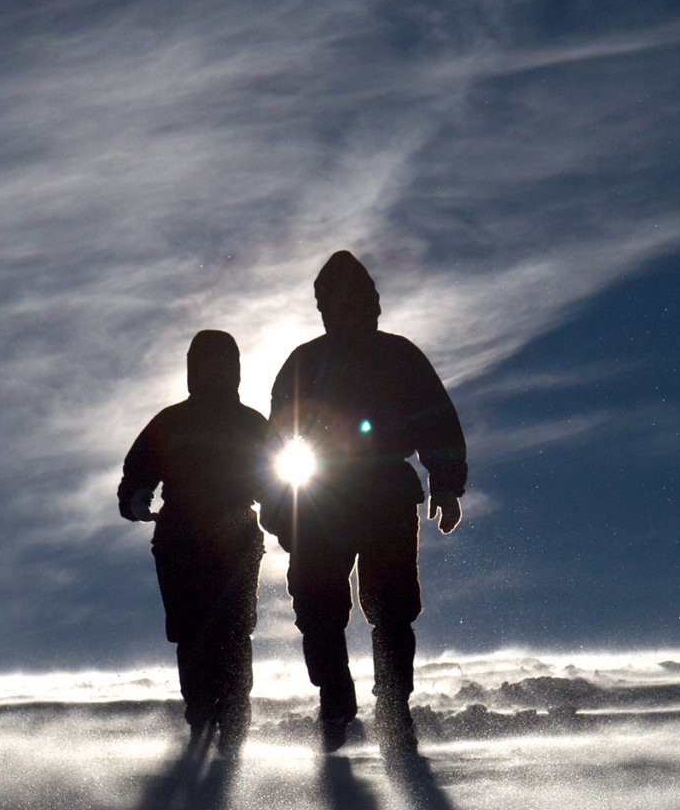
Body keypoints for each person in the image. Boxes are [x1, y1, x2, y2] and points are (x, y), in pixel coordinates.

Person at [267, 251, 467, 753]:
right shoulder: (304, 363)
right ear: (322, 306)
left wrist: (445, 482)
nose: (347, 308)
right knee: (317, 607)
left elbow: (436, 420)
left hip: (384, 495)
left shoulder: (400, 356)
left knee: (393, 607)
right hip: (318, 496)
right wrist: (276, 505)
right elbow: (272, 443)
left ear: (372, 302)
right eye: (334, 299)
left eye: (357, 298)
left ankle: (394, 706)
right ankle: (336, 702)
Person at [118, 330, 273, 751]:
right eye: (208, 362)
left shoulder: (252, 423)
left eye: (226, 363)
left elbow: (276, 481)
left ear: (237, 370)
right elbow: (138, 470)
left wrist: (288, 517)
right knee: (191, 632)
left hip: (238, 536)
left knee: (236, 629)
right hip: (179, 540)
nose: (217, 371)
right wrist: (133, 497)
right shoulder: (171, 421)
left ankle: (235, 717)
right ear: (193, 369)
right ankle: (201, 713)